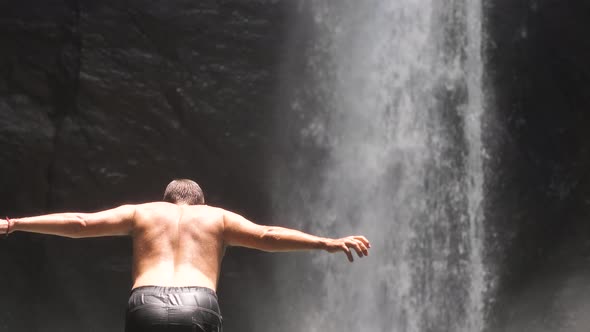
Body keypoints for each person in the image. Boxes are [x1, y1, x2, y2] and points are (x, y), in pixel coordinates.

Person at [0, 179, 370, 332]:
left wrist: (15, 223)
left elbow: (80, 222)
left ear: (167, 200)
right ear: (200, 202)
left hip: (145, 302)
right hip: (198, 302)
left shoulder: (141, 212)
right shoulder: (217, 217)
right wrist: (326, 242)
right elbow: (267, 235)